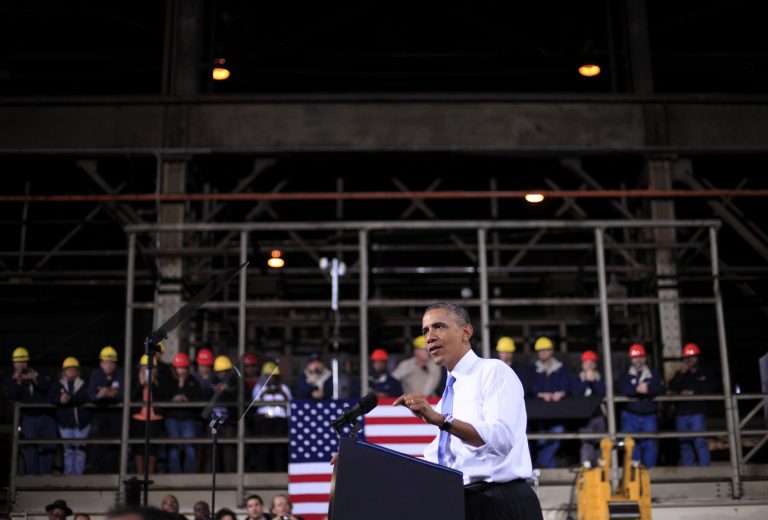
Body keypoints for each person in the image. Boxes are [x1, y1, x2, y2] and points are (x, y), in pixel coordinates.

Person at [394, 302, 542, 520]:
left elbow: (501, 438)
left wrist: (443, 421)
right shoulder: (451, 388)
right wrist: (364, 460)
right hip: (463, 501)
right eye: (425, 331)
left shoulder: (493, 371)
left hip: (500, 503)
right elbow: (439, 459)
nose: (429, 337)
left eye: (439, 327)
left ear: (466, 332)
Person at [3, 347, 57, 475]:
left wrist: (35, 378)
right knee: (30, 448)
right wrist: (18, 382)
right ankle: (33, 478)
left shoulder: (38, 373)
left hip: (46, 417)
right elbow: (11, 396)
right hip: (28, 418)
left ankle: (45, 478)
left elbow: (49, 387)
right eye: (18, 362)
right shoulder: (11, 380)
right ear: (14, 363)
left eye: (24, 362)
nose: (21, 365)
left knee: (48, 447)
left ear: (27, 362)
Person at [668, 342, 716, 466]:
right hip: (682, 413)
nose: (689, 360)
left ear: (697, 358)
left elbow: (711, 388)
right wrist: (681, 374)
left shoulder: (705, 373)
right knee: (684, 443)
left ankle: (705, 469)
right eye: (687, 358)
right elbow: (672, 386)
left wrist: (693, 392)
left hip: (697, 412)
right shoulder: (681, 374)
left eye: (692, 357)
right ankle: (689, 470)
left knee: (700, 441)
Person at [617, 343, 664, 467]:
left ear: (645, 358)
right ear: (631, 359)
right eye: (635, 357)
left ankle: (649, 473)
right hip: (630, 415)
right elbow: (621, 389)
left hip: (649, 415)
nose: (638, 360)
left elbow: (660, 387)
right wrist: (635, 389)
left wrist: (649, 389)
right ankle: (633, 473)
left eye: (640, 356)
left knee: (650, 444)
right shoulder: (625, 375)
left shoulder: (653, 373)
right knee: (631, 445)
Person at [529, 336, 569, 468]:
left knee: (556, 436)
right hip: (540, 413)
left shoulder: (561, 368)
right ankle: (547, 469)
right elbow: (531, 386)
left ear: (551, 351)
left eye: (546, 350)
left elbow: (566, 385)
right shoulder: (534, 369)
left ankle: (541, 464)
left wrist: (561, 392)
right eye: (540, 350)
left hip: (557, 412)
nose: (543, 353)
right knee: (542, 440)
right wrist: (539, 393)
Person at [162, 352, 203, 473]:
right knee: (173, 446)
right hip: (172, 417)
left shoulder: (193, 382)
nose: (182, 370)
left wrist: (187, 400)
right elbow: (162, 398)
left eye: (184, 367)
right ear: (174, 368)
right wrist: (172, 400)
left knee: (189, 446)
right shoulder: (168, 381)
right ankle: (174, 473)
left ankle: (190, 473)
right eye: (179, 367)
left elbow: (199, 401)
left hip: (188, 417)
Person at [49, 357, 91, 475]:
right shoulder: (58, 384)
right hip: (65, 423)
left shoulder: (84, 384)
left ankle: (78, 475)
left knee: (80, 450)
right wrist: (59, 399)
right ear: (64, 371)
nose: (71, 371)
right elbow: (51, 397)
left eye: (74, 369)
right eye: (69, 369)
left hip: (82, 423)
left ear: (78, 371)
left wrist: (69, 399)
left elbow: (85, 397)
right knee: (68, 450)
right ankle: (68, 475)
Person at [87, 345, 124, 473]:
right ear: (101, 363)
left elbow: (122, 394)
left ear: (115, 364)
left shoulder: (120, 373)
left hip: (115, 414)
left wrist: (107, 393)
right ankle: (96, 471)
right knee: (97, 443)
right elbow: (91, 394)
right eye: (105, 362)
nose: (108, 365)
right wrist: (99, 395)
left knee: (114, 443)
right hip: (99, 413)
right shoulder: (95, 374)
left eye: (111, 363)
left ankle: (112, 472)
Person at [249, 361, 291, 472]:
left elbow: (290, 405)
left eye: (274, 376)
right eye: (268, 376)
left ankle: (280, 472)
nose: (271, 378)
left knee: (280, 450)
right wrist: (266, 391)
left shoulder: (284, 388)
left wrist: (279, 391)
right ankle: (262, 473)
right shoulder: (259, 388)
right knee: (263, 449)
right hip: (264, 421)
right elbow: (255, 402)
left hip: (280, 421)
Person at [130, 354, 165, 475]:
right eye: (145, 367)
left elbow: (162, 397)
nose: (147, 370)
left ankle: (150, 474)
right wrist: (141, 384)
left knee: (152, 449)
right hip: (139, 418)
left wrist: (153, 383)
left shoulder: (160, 381)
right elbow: (131, 397)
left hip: (155, 418)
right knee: (138, 448)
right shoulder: (135, 380)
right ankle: (140, 474)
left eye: (150, 367)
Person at [570, 350, 607, 464]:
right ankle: (586, 471)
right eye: (587, 363)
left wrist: (593, 381)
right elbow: (576, 393)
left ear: (596, 365)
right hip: (585, 417)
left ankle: (600, 470)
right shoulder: (577, 378)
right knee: (586, 444)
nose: (589, 365)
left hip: (598, 415)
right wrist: (586, 381)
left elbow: (602, 393)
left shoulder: (601, 378)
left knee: (601, 444)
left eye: (592, 363)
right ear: (582, 365)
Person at [211, 355, 238, 472]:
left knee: (228, 448)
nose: (223, 374)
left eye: (225, 371)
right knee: (212, 448)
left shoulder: (236, 383)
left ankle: (229, 475)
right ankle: (212, 474)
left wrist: (230, 391)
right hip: (213, 421)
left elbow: (242, 398)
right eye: (220, 372)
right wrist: (213, 390)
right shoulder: (211, 383)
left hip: (229, 422)